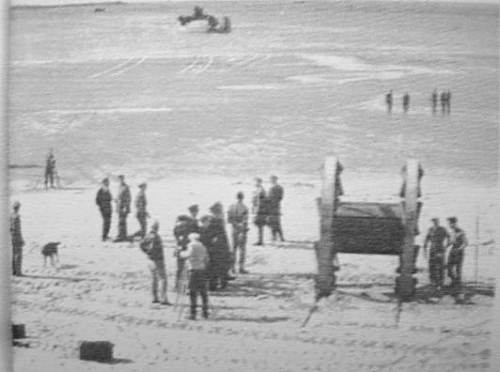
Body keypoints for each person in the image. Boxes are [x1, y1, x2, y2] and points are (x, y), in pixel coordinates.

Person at [179, 233, 210, 320]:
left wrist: (181, 252)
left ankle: (193, 313)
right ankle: (205, 312)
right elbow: (207, 259)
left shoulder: (191, 245)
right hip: (202, 269)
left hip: (193, 269)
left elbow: (188, 254)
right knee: (203, 293)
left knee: (192, 292)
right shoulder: (203, 246)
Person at [140, 221, 171, 305]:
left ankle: (154, 297)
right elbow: (154, 247)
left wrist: (147, 252)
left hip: (150, 260)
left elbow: (141, 245)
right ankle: (164, 298)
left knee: (154, 279)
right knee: (163, 279)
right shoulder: (156, 237)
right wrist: (153, 253)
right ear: (157, 228)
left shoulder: (147, 235)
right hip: (158, 260)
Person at [207, 202, 232, 290]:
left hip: (215, 247)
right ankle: (221, 283)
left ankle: (214, 284)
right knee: (221, 266)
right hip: (220, 247)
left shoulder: (212, 220)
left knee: (214, 266)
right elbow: (222, 235)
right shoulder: (218, 221)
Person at [423, 218, 450, 293]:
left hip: (440, 249)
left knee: (440, 267)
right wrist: (424, 249)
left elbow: (449, 238)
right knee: (431, 266)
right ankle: (433, 283)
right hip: (432, 250)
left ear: (438, 222)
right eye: (434, 222)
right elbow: (426, 239)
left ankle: (440, 284)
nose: (435, 223)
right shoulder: (430, 229)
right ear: (432, 222)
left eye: (436, 221)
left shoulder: (442, 229)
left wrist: (445, 247)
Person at [227, 192, 249, 274]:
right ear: (243, 198)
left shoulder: (231, 206)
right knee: (242, 249)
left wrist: (235, 225)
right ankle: (241, 267)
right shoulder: (245, 207)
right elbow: (245, 221)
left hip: (234, 229)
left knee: (233, 248)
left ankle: (232, 268)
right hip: (242, 229)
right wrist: (242, 227)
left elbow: (229, 220)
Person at [446, 217, 468, 289]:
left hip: (459, 253)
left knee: (458, 270)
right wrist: (445, 246)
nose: (449, 225)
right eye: (448, 223)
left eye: (450, 223)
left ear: (454, 223)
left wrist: (459, 249)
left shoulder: (461, 232)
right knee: (449, 268)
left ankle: (457, 286)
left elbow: (465, 243)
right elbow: (451, 242)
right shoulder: (452, 231)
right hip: (452, 251)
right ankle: (454, 282)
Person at [267, 175, 285, 242]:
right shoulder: (280, 187)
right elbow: (281, 197)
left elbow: (269, 198)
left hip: (272, 207)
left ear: (273, 180)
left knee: (272, 222)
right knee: (277, 222)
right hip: (277, 206)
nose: (270, 181)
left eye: (271, 179)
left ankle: (274, 237)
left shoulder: (272, 188)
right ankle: (281, 237)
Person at [114, 175, 131, 242]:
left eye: (121, 179)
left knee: (122, 222)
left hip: (123, 207)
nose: (120, 180)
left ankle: (122, 236)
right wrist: (116, 199)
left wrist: (126, 207)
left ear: (123, 179)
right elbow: (119, 196)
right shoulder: (120, 186)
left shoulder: (126, 187)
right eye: (119, 179)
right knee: (121, 221)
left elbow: (129, 198)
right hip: (120, 207)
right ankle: (121, 235)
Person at [10, 201, 25, 276]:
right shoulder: (17, 217)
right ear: (18, 208)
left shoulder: (10, 216)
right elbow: (18, 229)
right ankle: (18, 272)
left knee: (13, 254)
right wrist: (21, 239)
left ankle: (13, 271)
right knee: (18, 255)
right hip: (17, 237)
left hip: (11, 236)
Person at [252, 177, 267, 245]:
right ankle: (260, 240)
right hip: (258, 209)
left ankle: (260, 241)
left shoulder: (261, 190)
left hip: (260, 210)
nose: (255, 183)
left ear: (259, 182)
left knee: (259, 225)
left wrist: (257, 211)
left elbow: (260, 202)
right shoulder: (259, 190)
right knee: (259, 226)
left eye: (256, 182)